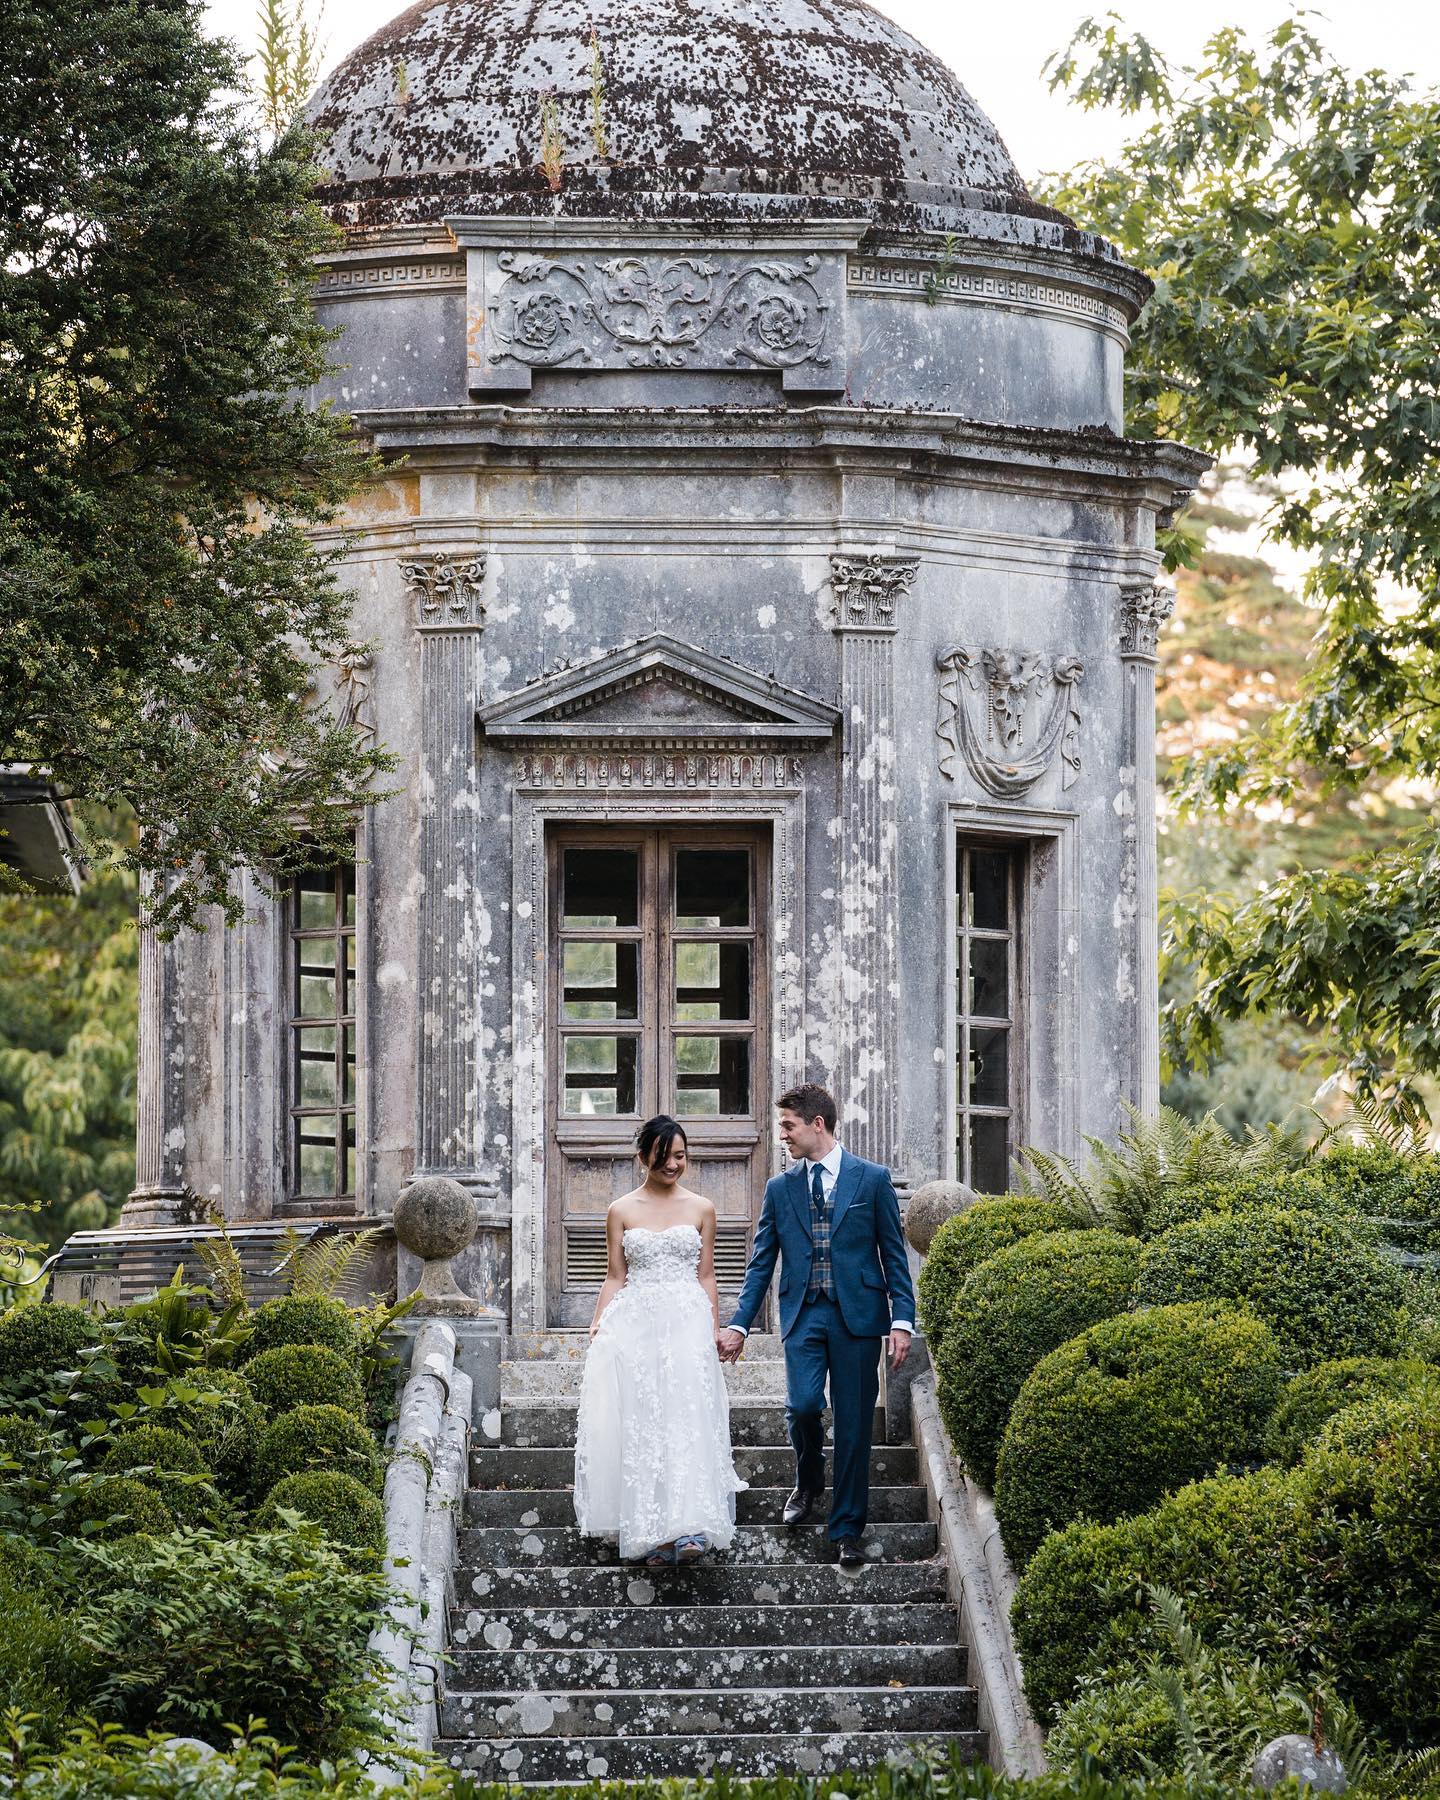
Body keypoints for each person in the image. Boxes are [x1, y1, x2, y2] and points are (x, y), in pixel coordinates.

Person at [716, 1083, 915, 1567]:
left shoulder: (872, 1179)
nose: (782, 1134)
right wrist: (740, 1324)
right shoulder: (779, 1189)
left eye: (788, 1125)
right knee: (804, 1405)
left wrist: (902, 1319)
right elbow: (761, 1263)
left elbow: (894, 1254)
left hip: (858, 1318)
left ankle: (846, 1529)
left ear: (817, 1124)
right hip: (804, 1313)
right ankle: (808, 1480)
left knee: (853, 1425)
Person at [573, 1114, 746, 1566]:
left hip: (687, 1322)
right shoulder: (621, 1210)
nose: (672, 1164)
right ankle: (653, 1531)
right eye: (663, 1156)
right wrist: (598, 1323)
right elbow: (615, 1276)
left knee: (687, 1418)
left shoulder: (702, 1208)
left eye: (680, 1156)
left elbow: (706, 1275)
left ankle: (690, 1527)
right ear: (642, 1157)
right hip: (638, 1323)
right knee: (647, 1421)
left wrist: (713, 1328)